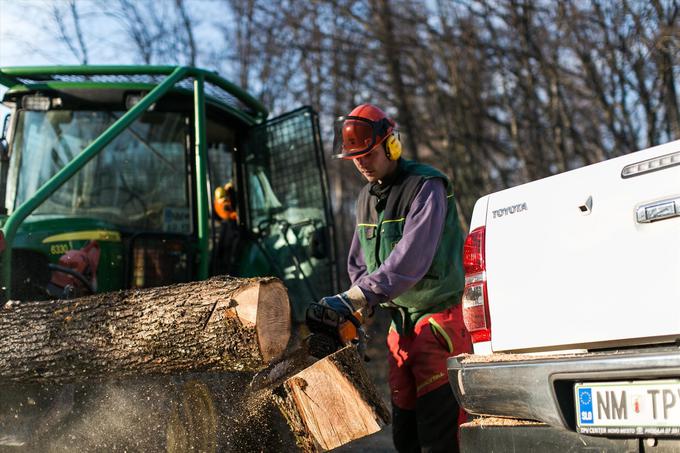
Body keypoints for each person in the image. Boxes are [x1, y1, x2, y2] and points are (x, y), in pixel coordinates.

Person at [311, 103, 472, 452]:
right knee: (405, 437)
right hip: (399, 330)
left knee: (439, 438)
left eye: (367, 154)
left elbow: (408, 262)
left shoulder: (426, 186)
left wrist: (358, 296)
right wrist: (358, 306)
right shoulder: (365, 200)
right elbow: (359, 262)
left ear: (390, 145)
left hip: (437, 324)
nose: (361, 163)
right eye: (354, 157)